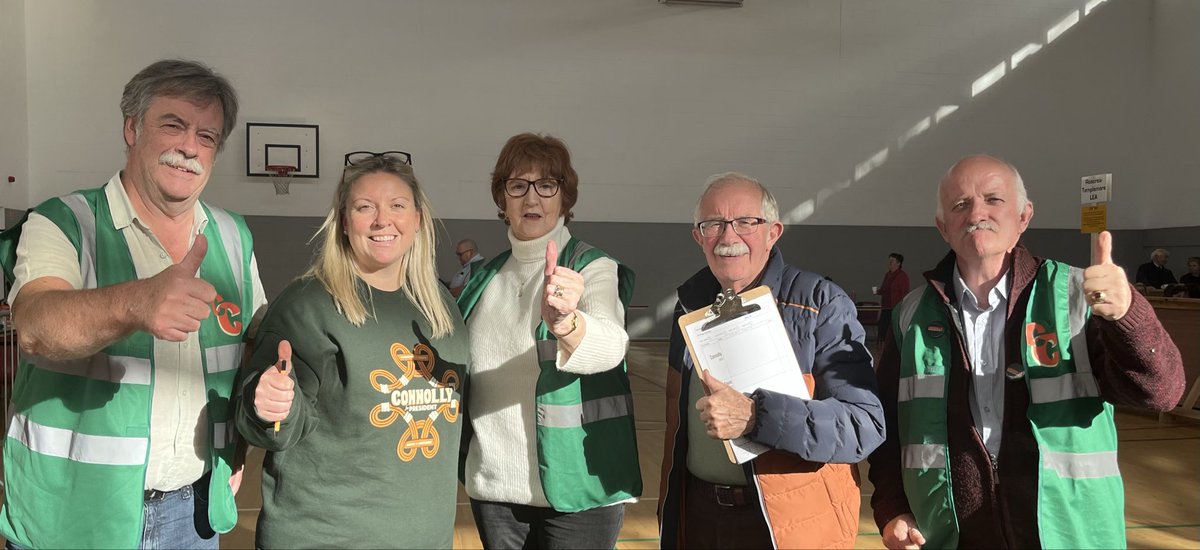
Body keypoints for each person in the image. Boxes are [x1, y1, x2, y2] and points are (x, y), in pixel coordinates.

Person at [0, 59, 265, 549]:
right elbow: (35, 324)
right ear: (131, 128)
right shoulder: (65, 222)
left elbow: (254, 354)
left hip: (195, 513)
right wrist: (135, 304)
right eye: (173, 125)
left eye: (207, 137)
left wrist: (243, 445)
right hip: (71, 515)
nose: (190, 147)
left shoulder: (232, 236)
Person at [868, 154, 1185, 549]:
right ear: (942, 226)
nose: (976, 214)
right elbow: (886, 428)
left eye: (993, 200)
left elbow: (1162, 393)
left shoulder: (1077, 296)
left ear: (1024, 217)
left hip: (1069, 535)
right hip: (952, 536)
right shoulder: (911, 316)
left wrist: (1127, 316)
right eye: (960, 204)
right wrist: (891, 507)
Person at [234, 155, 468, 548]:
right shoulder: (307, 304)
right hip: (325, 537)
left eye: (397, 206)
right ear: (344, 222)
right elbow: (269, 424)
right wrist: (270, 406)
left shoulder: (443, 308)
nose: (382, 220)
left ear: (418, 218)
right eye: (365, 207)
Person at [658, 172, 885, 549]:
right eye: (713, 224)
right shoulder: (689, 308)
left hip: (787, 528)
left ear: (773, 231)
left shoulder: (820, 303)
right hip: (698, 517)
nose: (729, 237)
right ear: (698, 236)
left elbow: (864, 424)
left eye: (747, 222)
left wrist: (756, 416)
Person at [456, 132, 640, 549]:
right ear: (501, 200)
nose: (531, 199)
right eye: (517, 186)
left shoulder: (591, 268)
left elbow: (611, 346)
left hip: (580, 485)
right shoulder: (484, 280)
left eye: (547, 185)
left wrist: (567, 324)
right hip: (494, 489)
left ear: (565, 197)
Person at [875, 252, 910, 345]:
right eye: (889, 260)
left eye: (892, 261)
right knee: (883, 326)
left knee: (892, 328)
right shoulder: (887, 275)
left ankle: (891, 346)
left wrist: (902, 306)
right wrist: (879, 291)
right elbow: (884, 289)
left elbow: (905, 292)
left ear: (898, 263)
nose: (890, 262)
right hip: (886, 306)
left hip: (895, 306)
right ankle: (882, 345)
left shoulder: (902, 276)